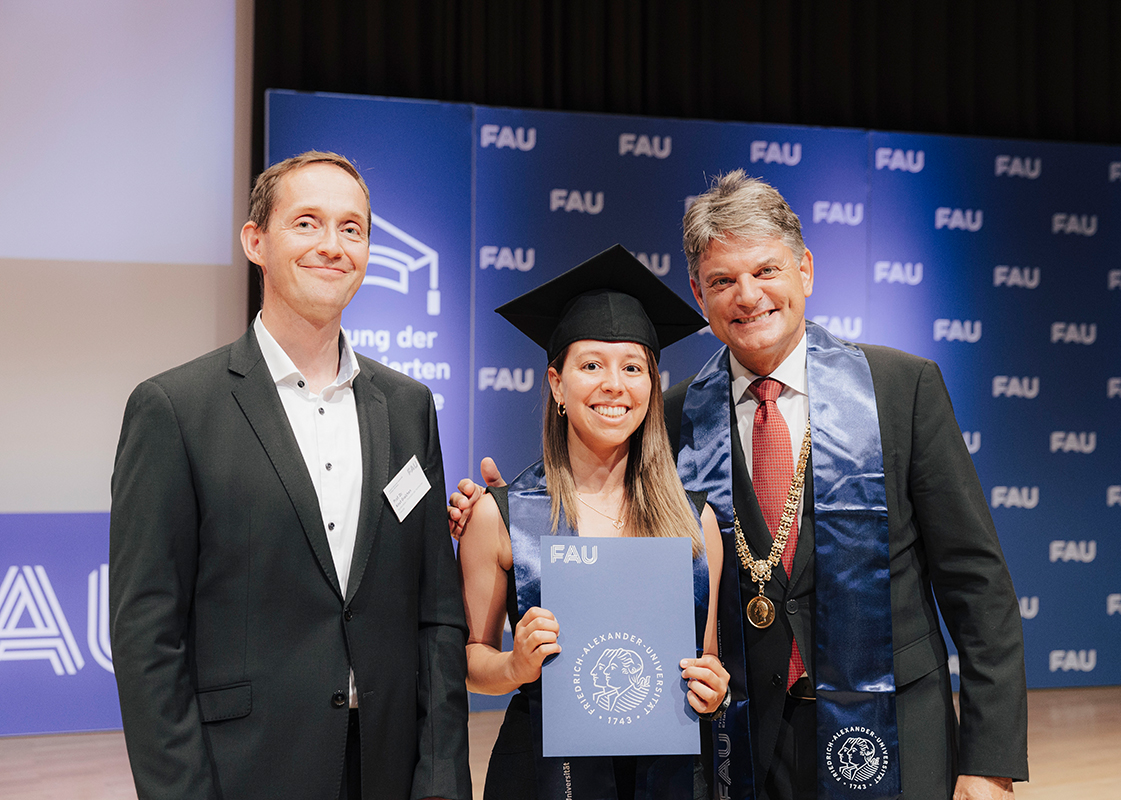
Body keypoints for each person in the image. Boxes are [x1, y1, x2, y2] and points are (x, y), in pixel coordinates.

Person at [451, 172, 1029, 800]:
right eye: (723, 281)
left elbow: (977, 582)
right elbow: (598, 513)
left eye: (766, 271)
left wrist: (989, 760)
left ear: (804, 270)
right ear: (699, 295)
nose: (748, 296)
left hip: (891, 729)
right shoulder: (668, 417)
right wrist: (503, 516)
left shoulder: (900, 388)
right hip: (743, 745)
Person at [110, 151, 470, 800]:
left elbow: (438, 617)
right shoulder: (174, 409)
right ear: (256, 242)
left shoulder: (410, 408)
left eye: (352, 228)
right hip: (243, 773)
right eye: (306, 223)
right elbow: (147, 636)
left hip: (386, 770)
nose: (332, 246)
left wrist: (442, 777)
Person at [456, 245, 730, 800]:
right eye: (591, 366)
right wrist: (516, 664)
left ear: (652, 387)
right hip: (541, 775)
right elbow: (471, 662)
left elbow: (707, 657)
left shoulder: (695, 520)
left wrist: (713, 688)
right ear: (557, 384)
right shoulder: (503, 515)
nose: (614, 385)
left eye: (633, 367)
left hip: (669, 776)